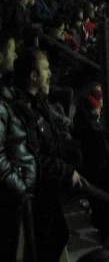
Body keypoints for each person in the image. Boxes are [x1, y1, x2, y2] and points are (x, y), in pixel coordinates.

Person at [9, 48, 86, 262]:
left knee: (56, 235)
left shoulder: (37, 101)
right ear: (33, 76)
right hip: (37, 192)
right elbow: (33, 156)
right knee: (46, 242)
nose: (49, 73)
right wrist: (66, 170)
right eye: (45, 69)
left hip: (48, 186)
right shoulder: (21, 109)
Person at [0, 88, 37, 261]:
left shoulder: (10, 98)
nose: (14, 58)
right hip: (13, 194)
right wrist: (21, 187)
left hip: (18, 192)